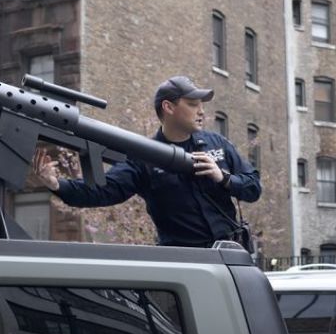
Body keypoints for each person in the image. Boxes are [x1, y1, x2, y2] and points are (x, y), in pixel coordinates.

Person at [30, 75, 261, 247]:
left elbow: (253, 187)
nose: (201, 112)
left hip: (231, 256)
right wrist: (57, 185)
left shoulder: (217, 144)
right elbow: (103, 191)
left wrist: (224, 179)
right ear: (168, 107)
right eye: (192, 105)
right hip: (186, 264)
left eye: (201, 106)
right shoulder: (144, 156)